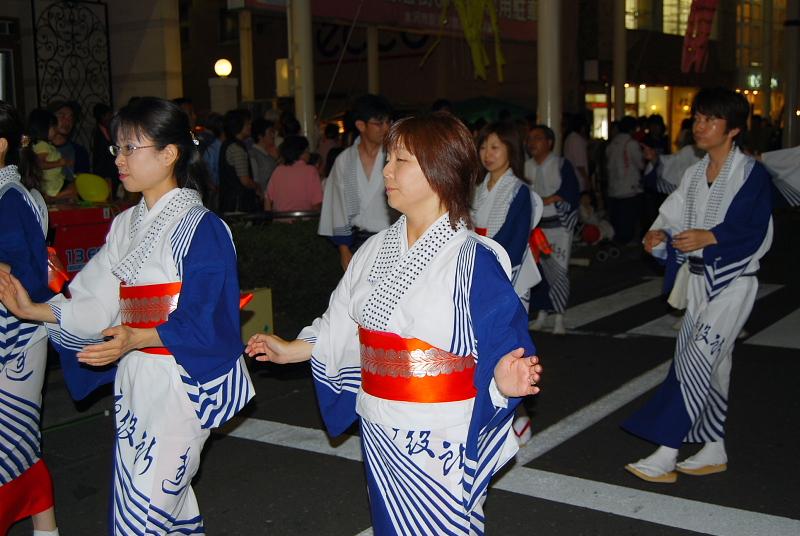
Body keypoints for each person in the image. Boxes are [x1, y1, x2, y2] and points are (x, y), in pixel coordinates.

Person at [246, 113, 542, 535]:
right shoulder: (373, 250)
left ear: (441, 170)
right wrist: (294, 348)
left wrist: (504, 379)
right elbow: (343, 321)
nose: (386, 170)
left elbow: (504, 340)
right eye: (389, 158)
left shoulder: (474, 258)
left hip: (440, 431)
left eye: (399, 160)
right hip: (380, 421)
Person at [0, 97, 255, 532]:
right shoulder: (126, 224)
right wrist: (33, 309)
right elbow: (97, 296)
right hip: (137, 375)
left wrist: (138, 337)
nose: (118, 159)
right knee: (154, 505)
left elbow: (207, 317)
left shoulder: (203, 227)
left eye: (129, 148)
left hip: (180, 379)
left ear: (169, 153)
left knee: (147, 510)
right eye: (116, 148)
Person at [622, 87, 773, 483]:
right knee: (715, 366)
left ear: (735, 129)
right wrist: (656, 235)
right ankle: (714, 446)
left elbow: (752, 228)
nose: (700, 126)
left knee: (694, 360)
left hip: (733, 281)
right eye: (699, 119)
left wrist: (711, 237)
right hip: (699, 281)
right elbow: (670, 217)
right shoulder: (693, 173)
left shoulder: (750, 173)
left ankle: (666, 451)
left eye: (710, 119)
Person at [0, 101, 60, 536]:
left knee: (11, 446)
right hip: (20, 334)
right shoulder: (18, 195)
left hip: (15, 337)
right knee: (19, 444)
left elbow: (26, 276)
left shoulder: (12, 199)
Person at [474, 121, 543, 446]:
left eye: (495, 147)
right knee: (481, 352)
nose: (487, 154)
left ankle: (519, 415)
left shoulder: (520, 192)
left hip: (507, 279)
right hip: (479, 275)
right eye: (484, 147)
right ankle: (497, 415)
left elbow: (511, 244)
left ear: (510, 152)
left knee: (509, 351)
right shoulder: (477, 188)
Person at [318, 94, 396, 271]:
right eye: (379, 123)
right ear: (361, 125)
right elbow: (337, 205)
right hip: (358, 242)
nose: (386, 128)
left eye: (389, 122)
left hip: (393, 240)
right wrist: (344, 249)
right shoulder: (344, 161)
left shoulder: (398, 156)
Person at [525, 124, 580, 335]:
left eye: (537, 138)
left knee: (559, 272)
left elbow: (569, 193)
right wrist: (547, 200)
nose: (532, 143)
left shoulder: (561, 164)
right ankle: (541, 314)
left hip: (558, 227)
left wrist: (547, 200)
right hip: (535, 229)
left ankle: (559, 316)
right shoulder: (525, 166)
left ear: (549, 142)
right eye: (530, 139)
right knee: (538, 272)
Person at [606, 115, 645, 244]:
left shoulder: (611, 144)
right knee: (628, 219)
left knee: (617, 219)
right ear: (632, 129)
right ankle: (626, 243)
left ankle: (616, 242)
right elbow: (640, 164)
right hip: (629, 187)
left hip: (613, 187)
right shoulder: (631, 144)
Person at [265, 135, 323, 212]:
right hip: (305, 221)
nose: (309, 153)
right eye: (307, 149)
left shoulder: (278, 170)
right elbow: (317, 203)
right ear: (302, 152)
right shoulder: (311, 171)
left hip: (280, 220)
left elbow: (268, 198)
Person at [28, 108, 74, 200]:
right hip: (51, 185)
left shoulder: (46, 145)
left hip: (55, 182)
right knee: (75, 189)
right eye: (53, 127)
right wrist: (59, 163)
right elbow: (40, 164)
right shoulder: (42, 145)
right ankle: (52, 198)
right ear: (44, 128)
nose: (56, 130)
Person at [219, 109, 259, 212]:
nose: (250, 126)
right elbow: (245, 181)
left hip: (228, 201)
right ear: (238, 125)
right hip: (238, 204)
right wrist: (257, 187)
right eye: (247, 124)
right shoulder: (237, 148)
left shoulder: (227, 144)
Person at [48, 101, 90, 184]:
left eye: (71, 117)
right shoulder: (39, 148)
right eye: (62, 115)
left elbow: (81, 184)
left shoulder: (79, 152)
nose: (67, 121)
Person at [91, 103, 120, 197]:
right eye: (107, 115)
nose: (110, 118)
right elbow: (99, 155)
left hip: (113, 168)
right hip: (103, 169)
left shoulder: (111, 128)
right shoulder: (97, 134)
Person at [250, 118, 279, 195]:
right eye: (270, 132)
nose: (273, 135)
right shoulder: (253, 154)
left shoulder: (268, 153)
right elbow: (256, 179)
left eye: (273, 132)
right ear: (260, 136)